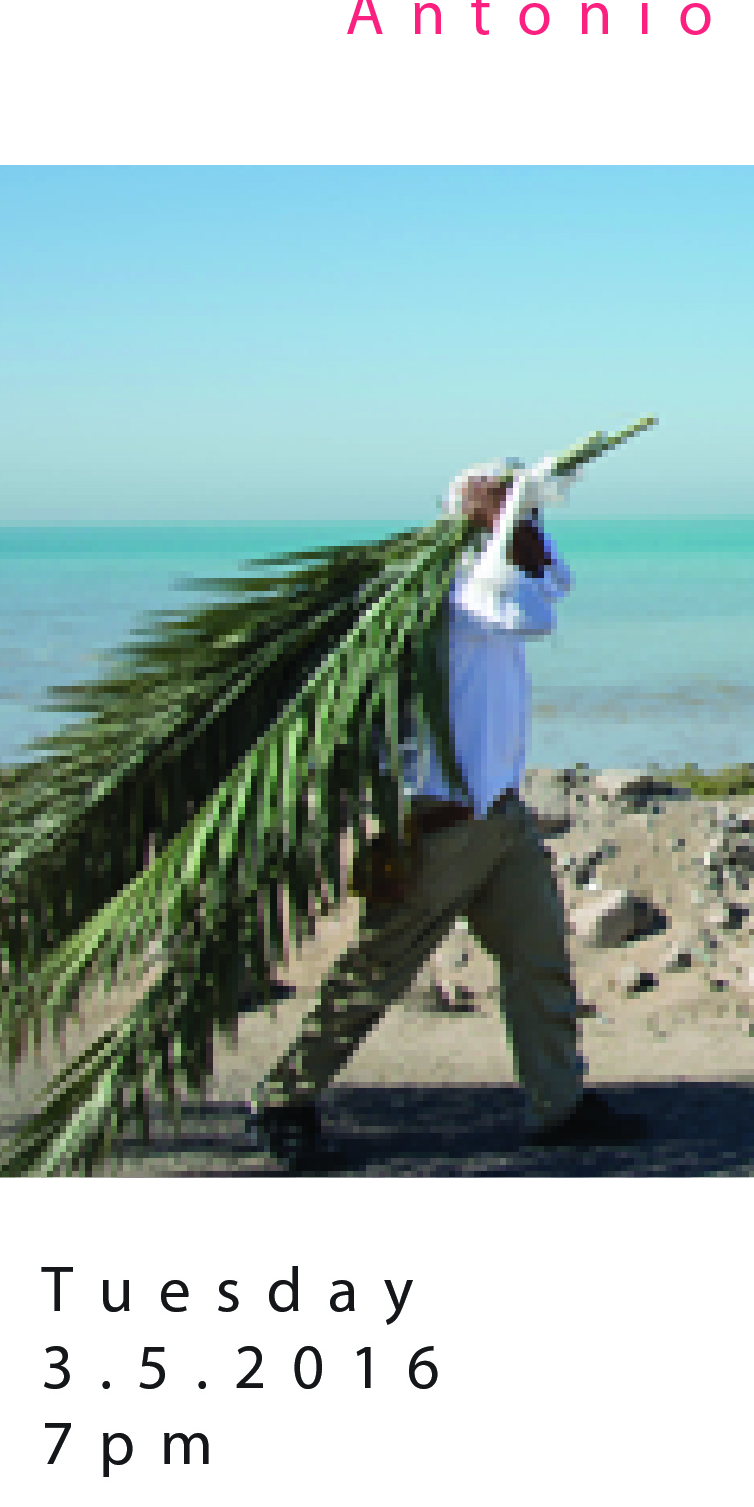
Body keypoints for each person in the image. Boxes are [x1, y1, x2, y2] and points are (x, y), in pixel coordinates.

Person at [245, 460, 641, 1169]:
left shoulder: (493, 574)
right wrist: (501, 521)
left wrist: (525, 518)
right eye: (504, 504)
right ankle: (283, 1099)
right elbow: (530, 614)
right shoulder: (450, 592)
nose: (517, 517)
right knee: (377, 969)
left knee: (538, 960)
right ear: (470, 515)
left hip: (501, 816)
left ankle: (559, 1105)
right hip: (443, 824)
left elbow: (555, 581)